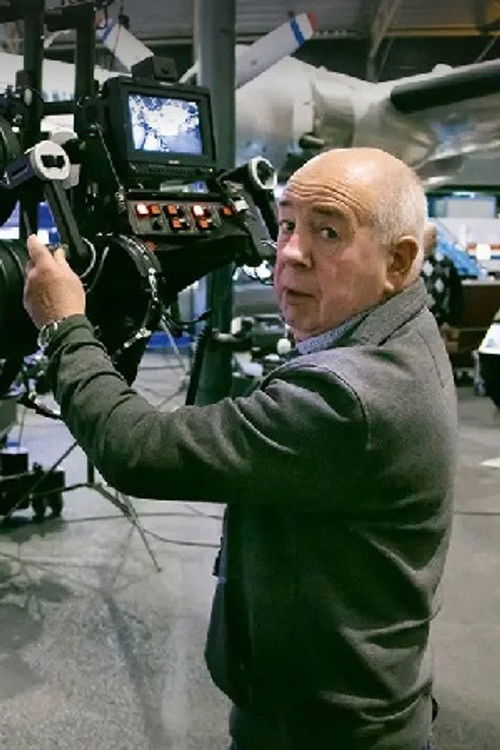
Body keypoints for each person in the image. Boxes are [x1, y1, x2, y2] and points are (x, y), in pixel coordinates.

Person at [23, 147, 457, 750]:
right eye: (287, 225)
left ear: (399, 260)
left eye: (329, 232)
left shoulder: (349, 398)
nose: (291, 253)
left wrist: (65, 326)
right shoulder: (406, 330)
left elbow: (137, 450)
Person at [421, 221, 464, 353]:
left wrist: (453, 322)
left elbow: (457, 294)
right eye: (431, 237)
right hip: (414, 325)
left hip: (440, 324)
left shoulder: (445, 263)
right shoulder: (409, 262)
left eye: (436, 236)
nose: (435, 241)